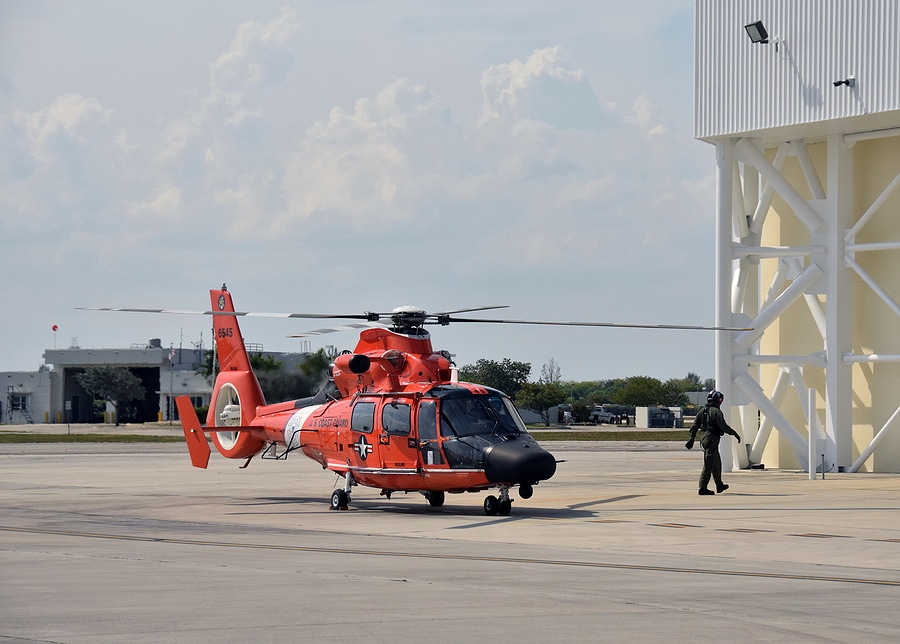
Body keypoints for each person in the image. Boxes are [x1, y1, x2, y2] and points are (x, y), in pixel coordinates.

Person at [685, 390, 742, 495]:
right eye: (720, 399)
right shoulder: (716, 412)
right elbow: (723, 426)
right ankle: (702, 488)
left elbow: (694, 425)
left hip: (705, 439)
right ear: (718, 400)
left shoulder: (702, 411)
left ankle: (719, 485)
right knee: (709, 464)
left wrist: (691, 439)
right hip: (712, 440)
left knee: (717, 463)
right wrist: (734, 433)